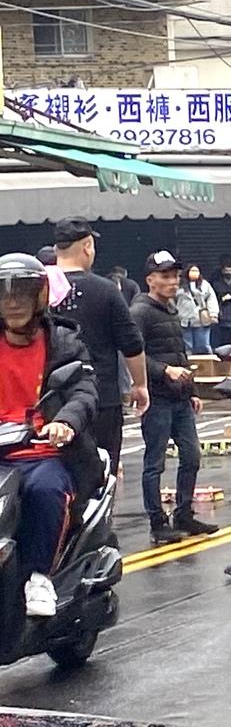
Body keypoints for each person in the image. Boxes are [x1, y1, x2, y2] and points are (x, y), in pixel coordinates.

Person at [0, 254, 101, 617]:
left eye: (21, 293)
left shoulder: (64, 342)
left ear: (39, 297)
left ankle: (39, 576)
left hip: (45, 452)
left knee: (45, 491)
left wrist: (66, 422)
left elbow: (84, 390)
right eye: (5, 294)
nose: (13, 302)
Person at [51, 217, 149, 476]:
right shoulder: (106, 290)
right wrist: (140, 385)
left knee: (54, 473)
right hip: (101, 399)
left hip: (49, 403)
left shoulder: (38, 290)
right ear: (87, 246)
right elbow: (131, 344)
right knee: (102, 474)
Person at [132, 251, 217, 543]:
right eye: (166, 276)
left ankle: (184, 514)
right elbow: (133, 355)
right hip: (156, 399)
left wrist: (192, 390)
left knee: (191, 456)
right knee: (154, 462)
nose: (173, 282)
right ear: (150, 280)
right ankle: (157, 522)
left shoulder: (171, 309)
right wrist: (164, 370)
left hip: (180, 399)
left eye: (175, 276)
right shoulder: (140, 312)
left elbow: (180, 353)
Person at [176, 264, 219, 355]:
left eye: (196, 271)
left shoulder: (205, 284)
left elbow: (211, 299)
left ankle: (205, 362)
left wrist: (213, 313)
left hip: (201, 320)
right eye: (192, 271)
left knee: (203, 345)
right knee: (187, 346)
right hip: (184, 320)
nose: (194, 273)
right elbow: (172, 300)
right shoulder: (179, 285)